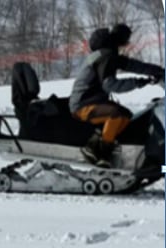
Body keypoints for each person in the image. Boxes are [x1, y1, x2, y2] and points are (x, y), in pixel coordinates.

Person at [69, 24, 164, 168]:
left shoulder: (107, 55)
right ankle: (99, 152)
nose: (128, 43)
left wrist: (158, 71)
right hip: (82, 105)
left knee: (126, 115)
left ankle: (101, 141)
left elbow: (134, 65)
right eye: (127, 39)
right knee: (116, 114)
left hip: (90, 102)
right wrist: (140, 82)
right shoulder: (106, 56)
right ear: (121, 38)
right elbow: (110, 85)